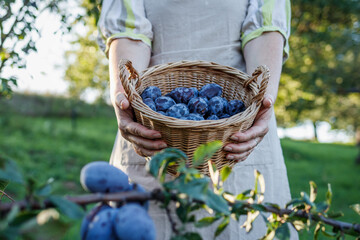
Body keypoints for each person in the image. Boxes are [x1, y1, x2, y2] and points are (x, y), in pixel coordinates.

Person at [97, 0, 298, 239]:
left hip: (239, 130)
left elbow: (265, 30)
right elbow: (129, 34)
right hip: (152, 130)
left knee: (242, 224)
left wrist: (263, 99)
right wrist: (124, 98)